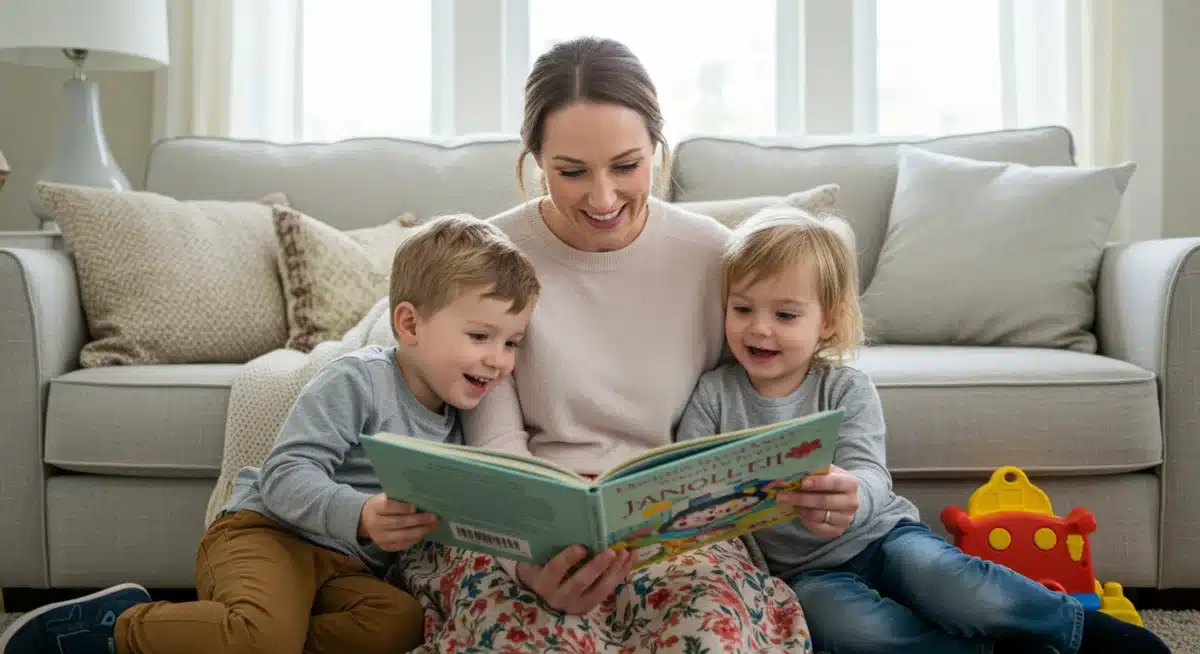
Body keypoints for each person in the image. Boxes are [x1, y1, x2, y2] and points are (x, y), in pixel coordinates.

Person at [394, 36, 813, 654]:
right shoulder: (491, 259)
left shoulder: (713, 256)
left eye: (626, 165)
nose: (603, 198)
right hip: (522, 528)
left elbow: (763, 400)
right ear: (535, 159)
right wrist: (529, 565)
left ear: (657, 149)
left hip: (676, 530)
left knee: (711, 638)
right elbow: (496, 443)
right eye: (571, 172)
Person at [1, 214, 541, 654]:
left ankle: (239, 640)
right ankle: (107, 629)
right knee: (263, 634)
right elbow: (285, 475)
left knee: (399, 625)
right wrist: (361, 515)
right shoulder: (361, 378)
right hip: (265, 533)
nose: (498, 361)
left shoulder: (457, 422)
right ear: (410, 324)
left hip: (343, 568)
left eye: (512, 343)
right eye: (480, 336)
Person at [674, 205, 1172, 654]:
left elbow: (870, 470)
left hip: (885, 535)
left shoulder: (845, 388)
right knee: (849, 631)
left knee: (956, 586)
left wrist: (852, 493)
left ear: (828, 322)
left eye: (784, 314)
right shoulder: (715, 394)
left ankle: (1073, 627)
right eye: (742, 309)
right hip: (805, 573)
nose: (759, 328)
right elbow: (688, 478)